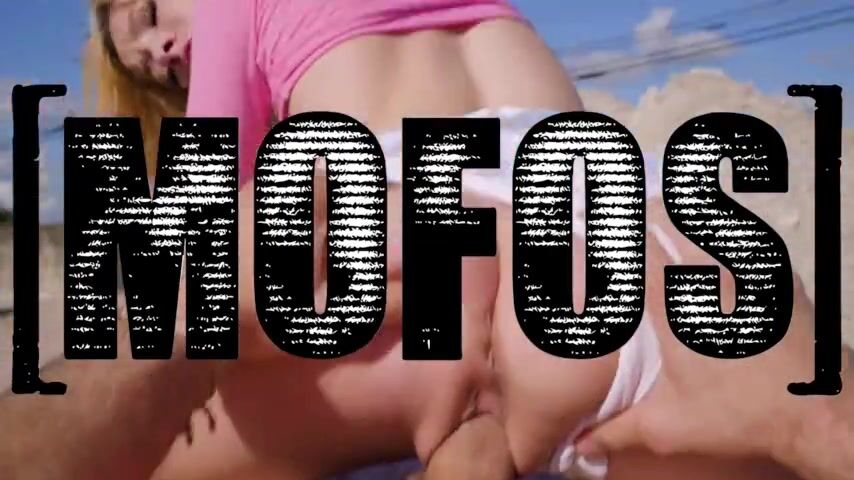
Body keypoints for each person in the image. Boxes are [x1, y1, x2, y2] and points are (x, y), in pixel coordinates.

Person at [84, 0, 807, 478]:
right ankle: (485, 432)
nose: (163, 49)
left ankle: (474, 425)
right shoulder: (494, 12)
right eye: (152, 64)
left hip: (424, 244)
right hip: (630, 232)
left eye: (149, 14)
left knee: (119, 437)